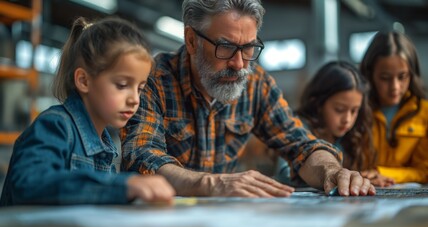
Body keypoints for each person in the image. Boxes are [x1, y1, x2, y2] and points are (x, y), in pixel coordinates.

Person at [121, 0, 375, 197]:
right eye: (226, 47)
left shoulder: (256, 84)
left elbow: (301, 145)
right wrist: (211, 183)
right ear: (191, 40)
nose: (239, 63)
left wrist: (331, 171)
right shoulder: (152, 79)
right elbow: (142, 155)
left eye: (249, 47)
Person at [0, 17, 175, 206]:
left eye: (139, 88)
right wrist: (124, 185)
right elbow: (28, 185)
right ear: (84, 81)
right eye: (122, 85)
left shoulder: (106, 144)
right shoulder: (55, 125)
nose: (135, 99)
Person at [292, 61, 394, 187]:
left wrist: (363, 178)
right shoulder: (298, 128)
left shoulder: (352, 137)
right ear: (318, 104)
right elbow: (286, 172)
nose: (347, 119)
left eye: (354, 110)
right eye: (339, 109)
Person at [360, 31, 428, 184]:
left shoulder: (424, 113)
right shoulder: (355, 111)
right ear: (370, 75)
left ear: (412, 74)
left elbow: (425, 172)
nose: (395, 87)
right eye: (385, 78)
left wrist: (382, 174)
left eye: (402, 77)